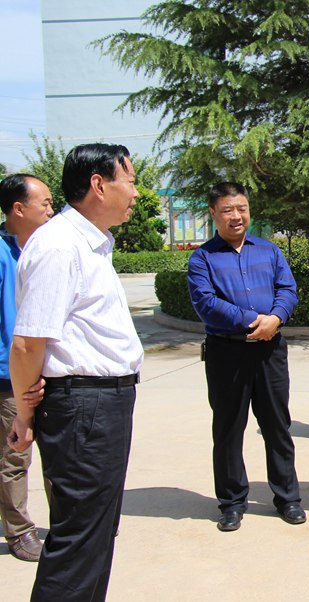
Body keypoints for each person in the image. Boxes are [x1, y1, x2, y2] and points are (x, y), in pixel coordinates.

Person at [7, 143, 144, 601]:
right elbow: (27, 343)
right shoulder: (60, 245)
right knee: (79, 538)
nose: (136, 192)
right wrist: (24, 416)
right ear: (99, 185)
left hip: (103, 402)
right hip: (84, 406)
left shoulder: (91, 243)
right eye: (130, 180)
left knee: (98, 532)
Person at [187, 182, 304, 533]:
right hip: (227, 353)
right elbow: (206, 303)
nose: (236, 216)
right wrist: (256, 321)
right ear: (213, 214)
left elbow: (288, 290)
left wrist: (276, 319)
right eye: (227, 210)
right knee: (228, 429)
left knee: (277, 426)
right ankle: (231, 503)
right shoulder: (202, 258)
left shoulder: (269, 251)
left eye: (242, 208)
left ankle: (287, 497)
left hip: (270, 351)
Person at [0, 174, 53, 562]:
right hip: (10, 376)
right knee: (14, 456)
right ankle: (19, 531)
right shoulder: (4, 255)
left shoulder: (46, 249)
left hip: (51, 372)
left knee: (59, 453)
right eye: (45, 203)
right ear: (18, 209)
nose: (51, 210)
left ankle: (70, 522)